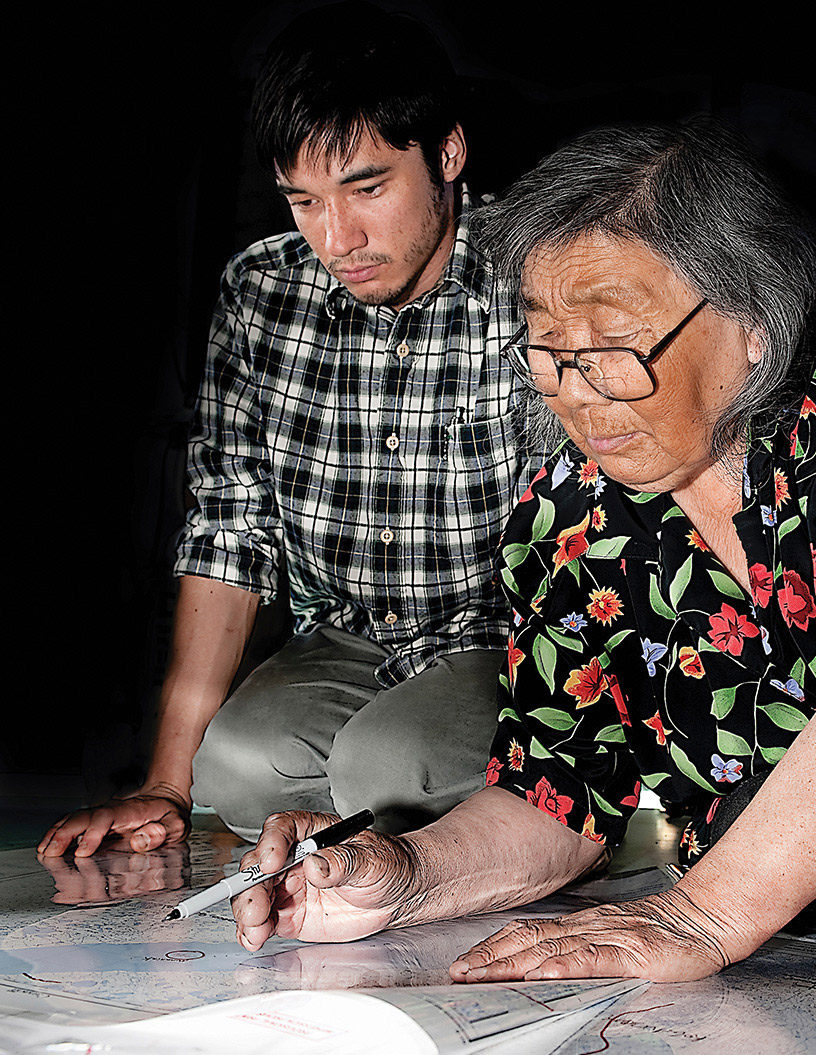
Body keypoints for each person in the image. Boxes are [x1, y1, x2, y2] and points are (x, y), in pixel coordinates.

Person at [229, 119, 816, 980]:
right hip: (783, 873)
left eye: (611, 346)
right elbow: (556, 793)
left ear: (752, 320)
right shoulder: (573, 508)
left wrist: (701, 914)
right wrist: (406, 874)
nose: (577, 393)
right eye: (547, 351)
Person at [38, 2, 524, 856]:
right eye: (304, 200)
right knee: (232, 770)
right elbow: (231, 527)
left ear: (447, 153)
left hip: (512, 640)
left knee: (388, 766)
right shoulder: (263, 293)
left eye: (368, 188)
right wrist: (165, 781)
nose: (338, 239)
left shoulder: (537, 276)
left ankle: (549, 816)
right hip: (346, 632)